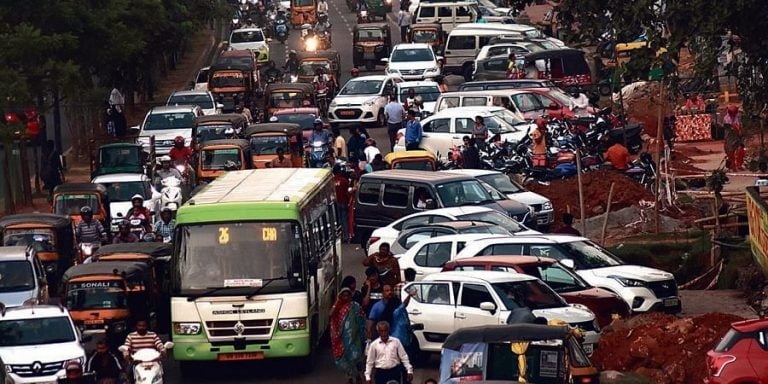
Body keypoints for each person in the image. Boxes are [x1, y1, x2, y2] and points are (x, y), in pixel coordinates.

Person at [330, 287, 367, 384]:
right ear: (341, 296)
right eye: (344, 295)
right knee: (345, 358)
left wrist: (363, 334)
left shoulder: (355, 306)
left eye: (348, 295)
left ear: (351, 296)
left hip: (356, 337)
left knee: (355, 357)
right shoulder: (338, 307)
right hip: (342, 338)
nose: (346, 297)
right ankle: (350, 377)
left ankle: (358, 376)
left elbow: (362, 320)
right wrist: (337, 302)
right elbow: (331, 315)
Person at [724, 105, 745, 171]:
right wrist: (739, 131)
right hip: (730, 136)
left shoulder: (737, 117)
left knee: (741, 150)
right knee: (731, 152)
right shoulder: (726, 118)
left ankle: (739, 164)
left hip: (737, 136)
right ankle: (733, 166)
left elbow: (739, 125)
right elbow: (734, 126)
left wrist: (741, 131)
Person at [334, 166, 351, 242]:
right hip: (344, 202)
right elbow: (347, 193)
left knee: (338, 221)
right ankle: (346, 237)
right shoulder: (344, 181)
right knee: (344, 220)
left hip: (336, 203)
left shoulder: (332, 181)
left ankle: (339, 237)